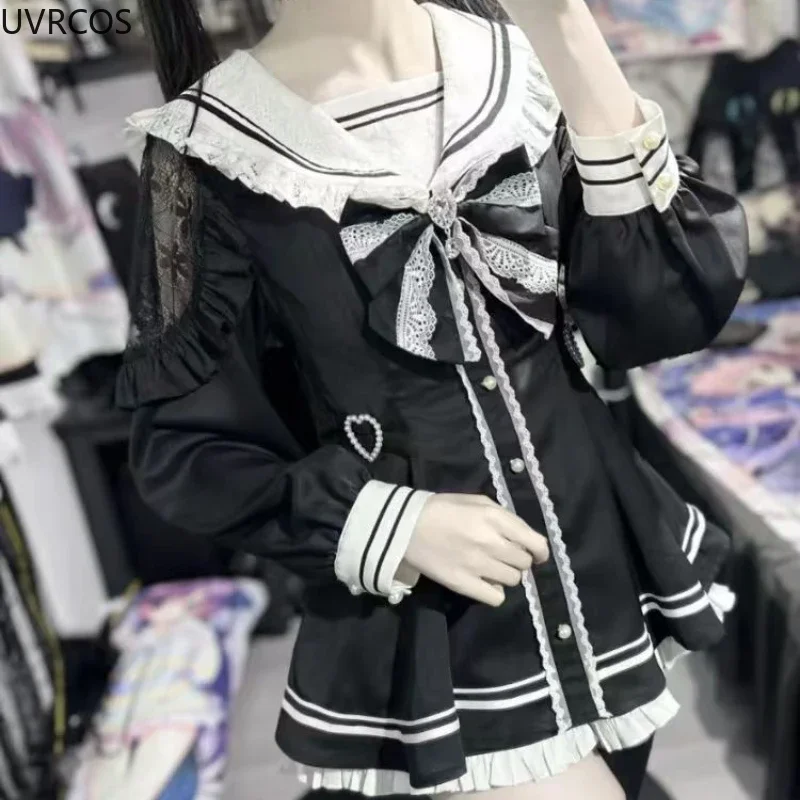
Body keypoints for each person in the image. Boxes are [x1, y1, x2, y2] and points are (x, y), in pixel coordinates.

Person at [120, 1, 748, 798]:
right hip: (442, 638)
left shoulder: (519, 66)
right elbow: (185, 444)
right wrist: (391, 522)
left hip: (607, 581)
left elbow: (660, 313)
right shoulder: (210, 147)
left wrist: (566, 29)